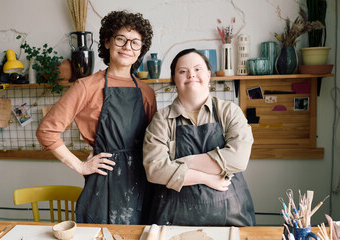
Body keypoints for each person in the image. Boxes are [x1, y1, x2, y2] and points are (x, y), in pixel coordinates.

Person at [36, 10, 157, 224]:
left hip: (143, 182)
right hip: (104, 183)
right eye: (121, 39)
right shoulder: (86, 86)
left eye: (135, 43)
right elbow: (47, 131)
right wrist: (80, 166)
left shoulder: (146, 92)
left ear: (141, 50)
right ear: (108, 42)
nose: (128, 47)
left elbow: (154, 142)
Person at [142, 48, 255, 226]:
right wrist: (207, 178)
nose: (191, 75)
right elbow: (155, 170)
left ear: (208, 75)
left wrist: (188, 161)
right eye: (182, 71)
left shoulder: (229, 112)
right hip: (174, 218)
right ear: (174, 79)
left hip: (230, 217)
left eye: (197, 69)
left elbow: (238, 159)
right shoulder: (162, 120)